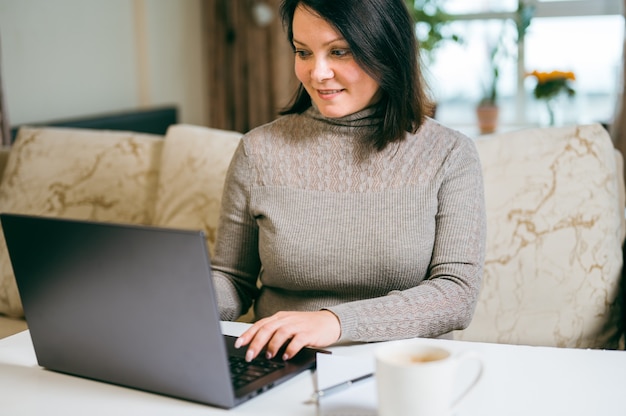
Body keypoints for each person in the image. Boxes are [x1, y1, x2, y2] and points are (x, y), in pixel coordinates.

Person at [211, 0, 486, 363]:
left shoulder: (449, 153)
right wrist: (180, 299)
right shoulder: (258, 150)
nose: (317, 72)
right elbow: (233, 279)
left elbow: (456, 294)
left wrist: (335, 322)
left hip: (406, 365)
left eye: (339, 51)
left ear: (386, 50)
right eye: (303, 52)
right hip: (280, 363)